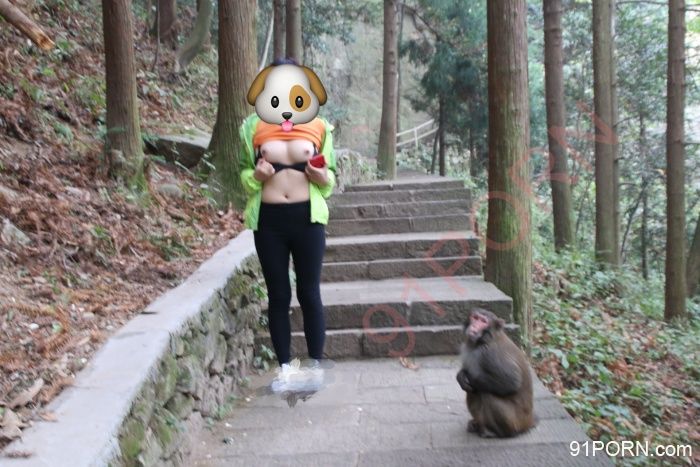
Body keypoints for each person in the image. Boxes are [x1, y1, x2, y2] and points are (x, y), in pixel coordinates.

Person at [239, 59, 336, 390]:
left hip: (308, 219)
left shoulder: (319, 125)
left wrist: (323, 177)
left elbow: (330, 177)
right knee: (278, 295)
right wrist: (256, 175)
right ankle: (285, 371)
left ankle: (315, 367)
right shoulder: (252, 126)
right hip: (269, 222)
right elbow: (242, 173)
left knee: (309, 293)